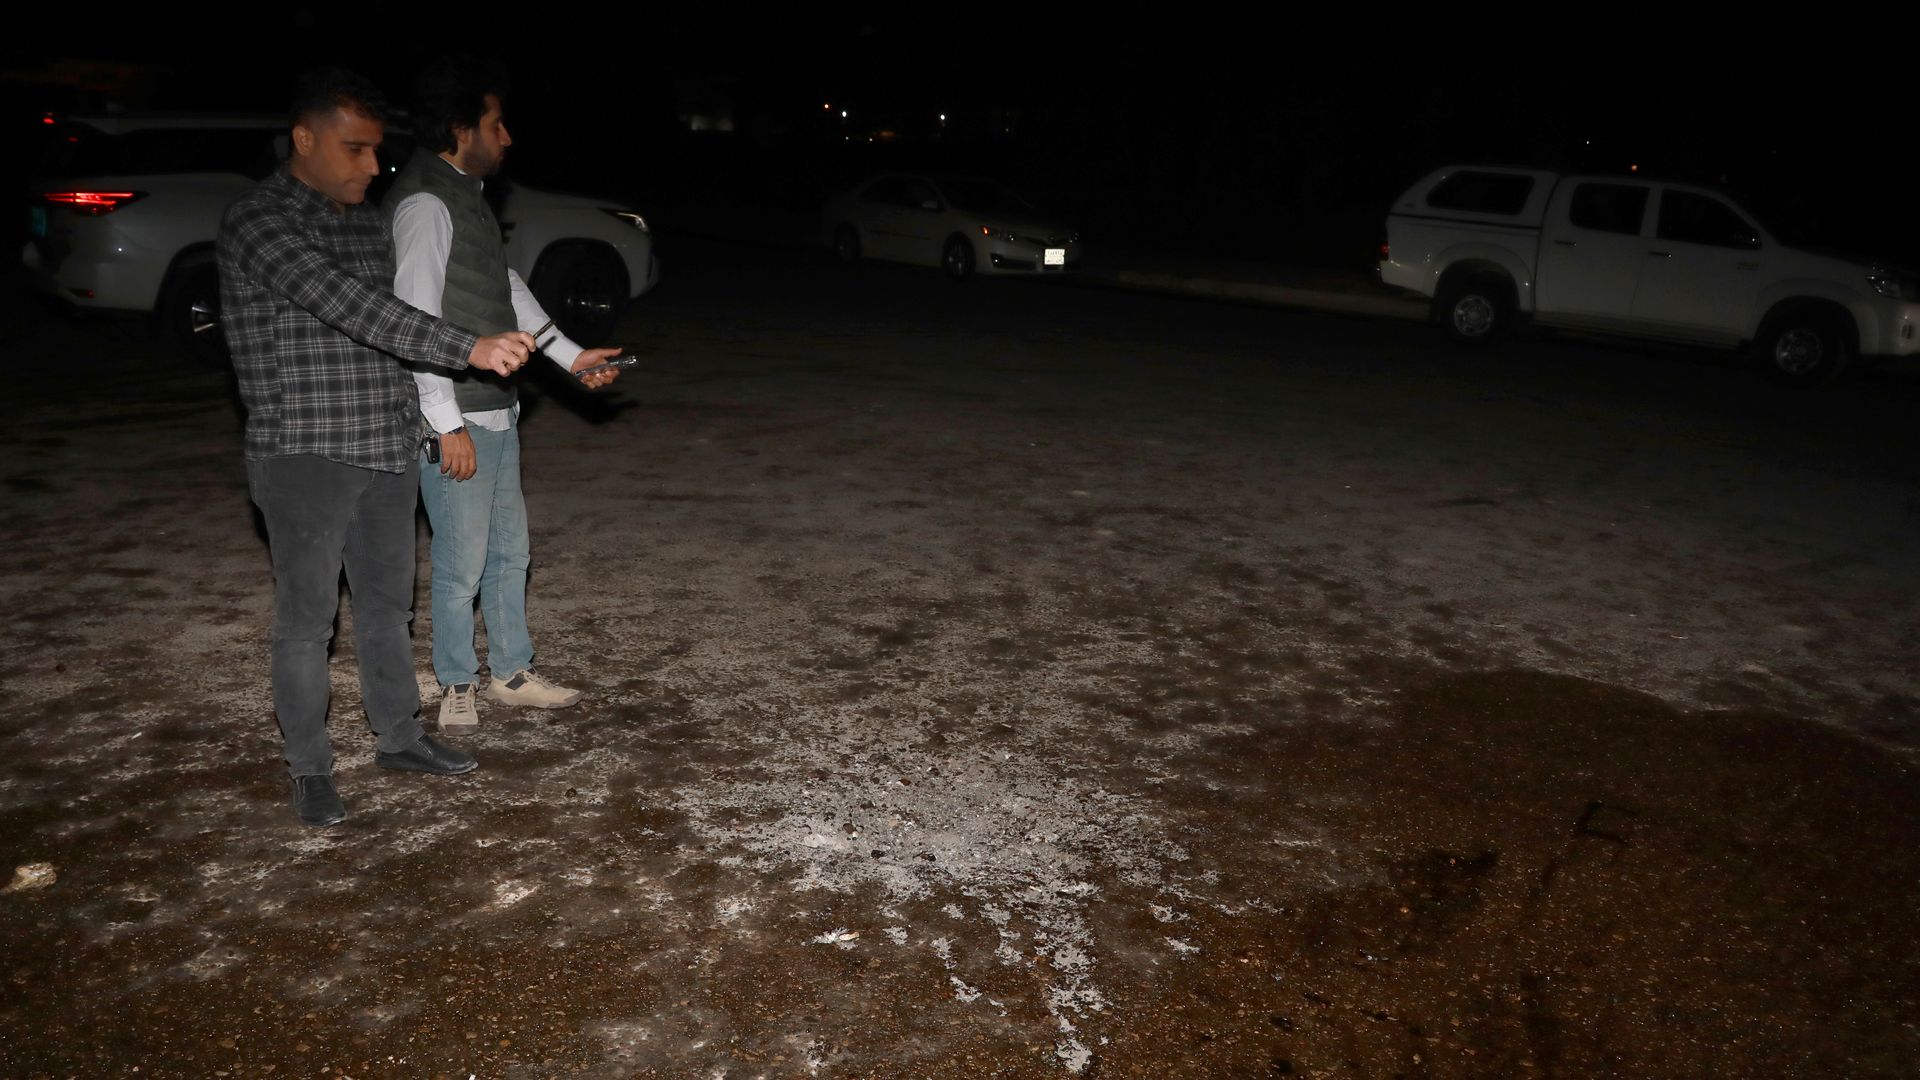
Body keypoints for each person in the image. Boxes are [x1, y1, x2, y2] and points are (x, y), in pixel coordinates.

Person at [218, 68, 538, 827]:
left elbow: (407, 310)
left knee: (389, 611)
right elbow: (355, 309)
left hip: (385, 446)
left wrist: (430, 414)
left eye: (376, 152)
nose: (372, 167)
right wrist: (471, 348)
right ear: (305, 140)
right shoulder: (261, 221)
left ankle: (397, 737)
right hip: (305, 454)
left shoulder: (366, 221)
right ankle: (310, 768)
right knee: (307, 624)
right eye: (355, 150)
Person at [388, 57, 623, 734]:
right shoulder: (426, 203)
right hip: (456, 415)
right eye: (497, 123)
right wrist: (442, 423)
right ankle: (459, 681)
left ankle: (512, 672)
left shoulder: (467, 197)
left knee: (510, 553)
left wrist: (571, 357)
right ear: (463, 129)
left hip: (497, 411)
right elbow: (413, 318)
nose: (508, 137)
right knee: (460, 562)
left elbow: (505, 288)